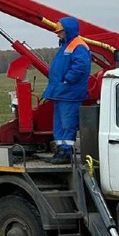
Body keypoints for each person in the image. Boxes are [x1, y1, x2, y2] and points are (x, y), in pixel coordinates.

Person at [42, 17, 91, 164]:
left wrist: (67, 79)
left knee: (67, 124)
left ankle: (66, 152)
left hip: (70, 93)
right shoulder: (68, 45)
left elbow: (81, 66)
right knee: (59, 124)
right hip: (62, 93)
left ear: (68, 30)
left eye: (60, 31)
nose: (58, 34)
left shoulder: (77, 46)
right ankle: (60, 150)